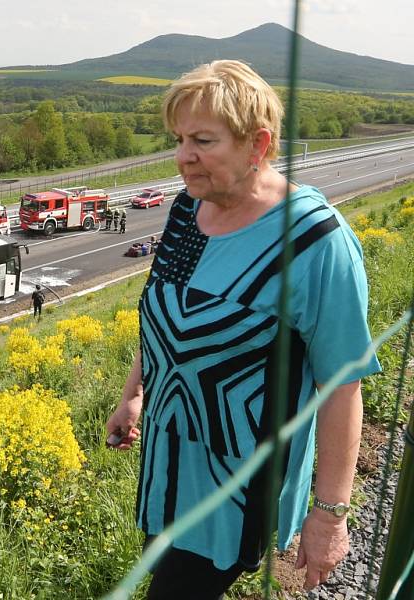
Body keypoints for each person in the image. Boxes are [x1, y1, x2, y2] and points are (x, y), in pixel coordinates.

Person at [105, 60, 380, 600]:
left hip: (238, 489)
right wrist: (134, 394)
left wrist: (330, 518)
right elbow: (167, 310)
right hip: (168, 465)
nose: (183, 156)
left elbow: (343, 385)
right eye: (179, 138)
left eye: (203, 140)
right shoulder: (189, 208)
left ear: (258, 144)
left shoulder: (315, 242)